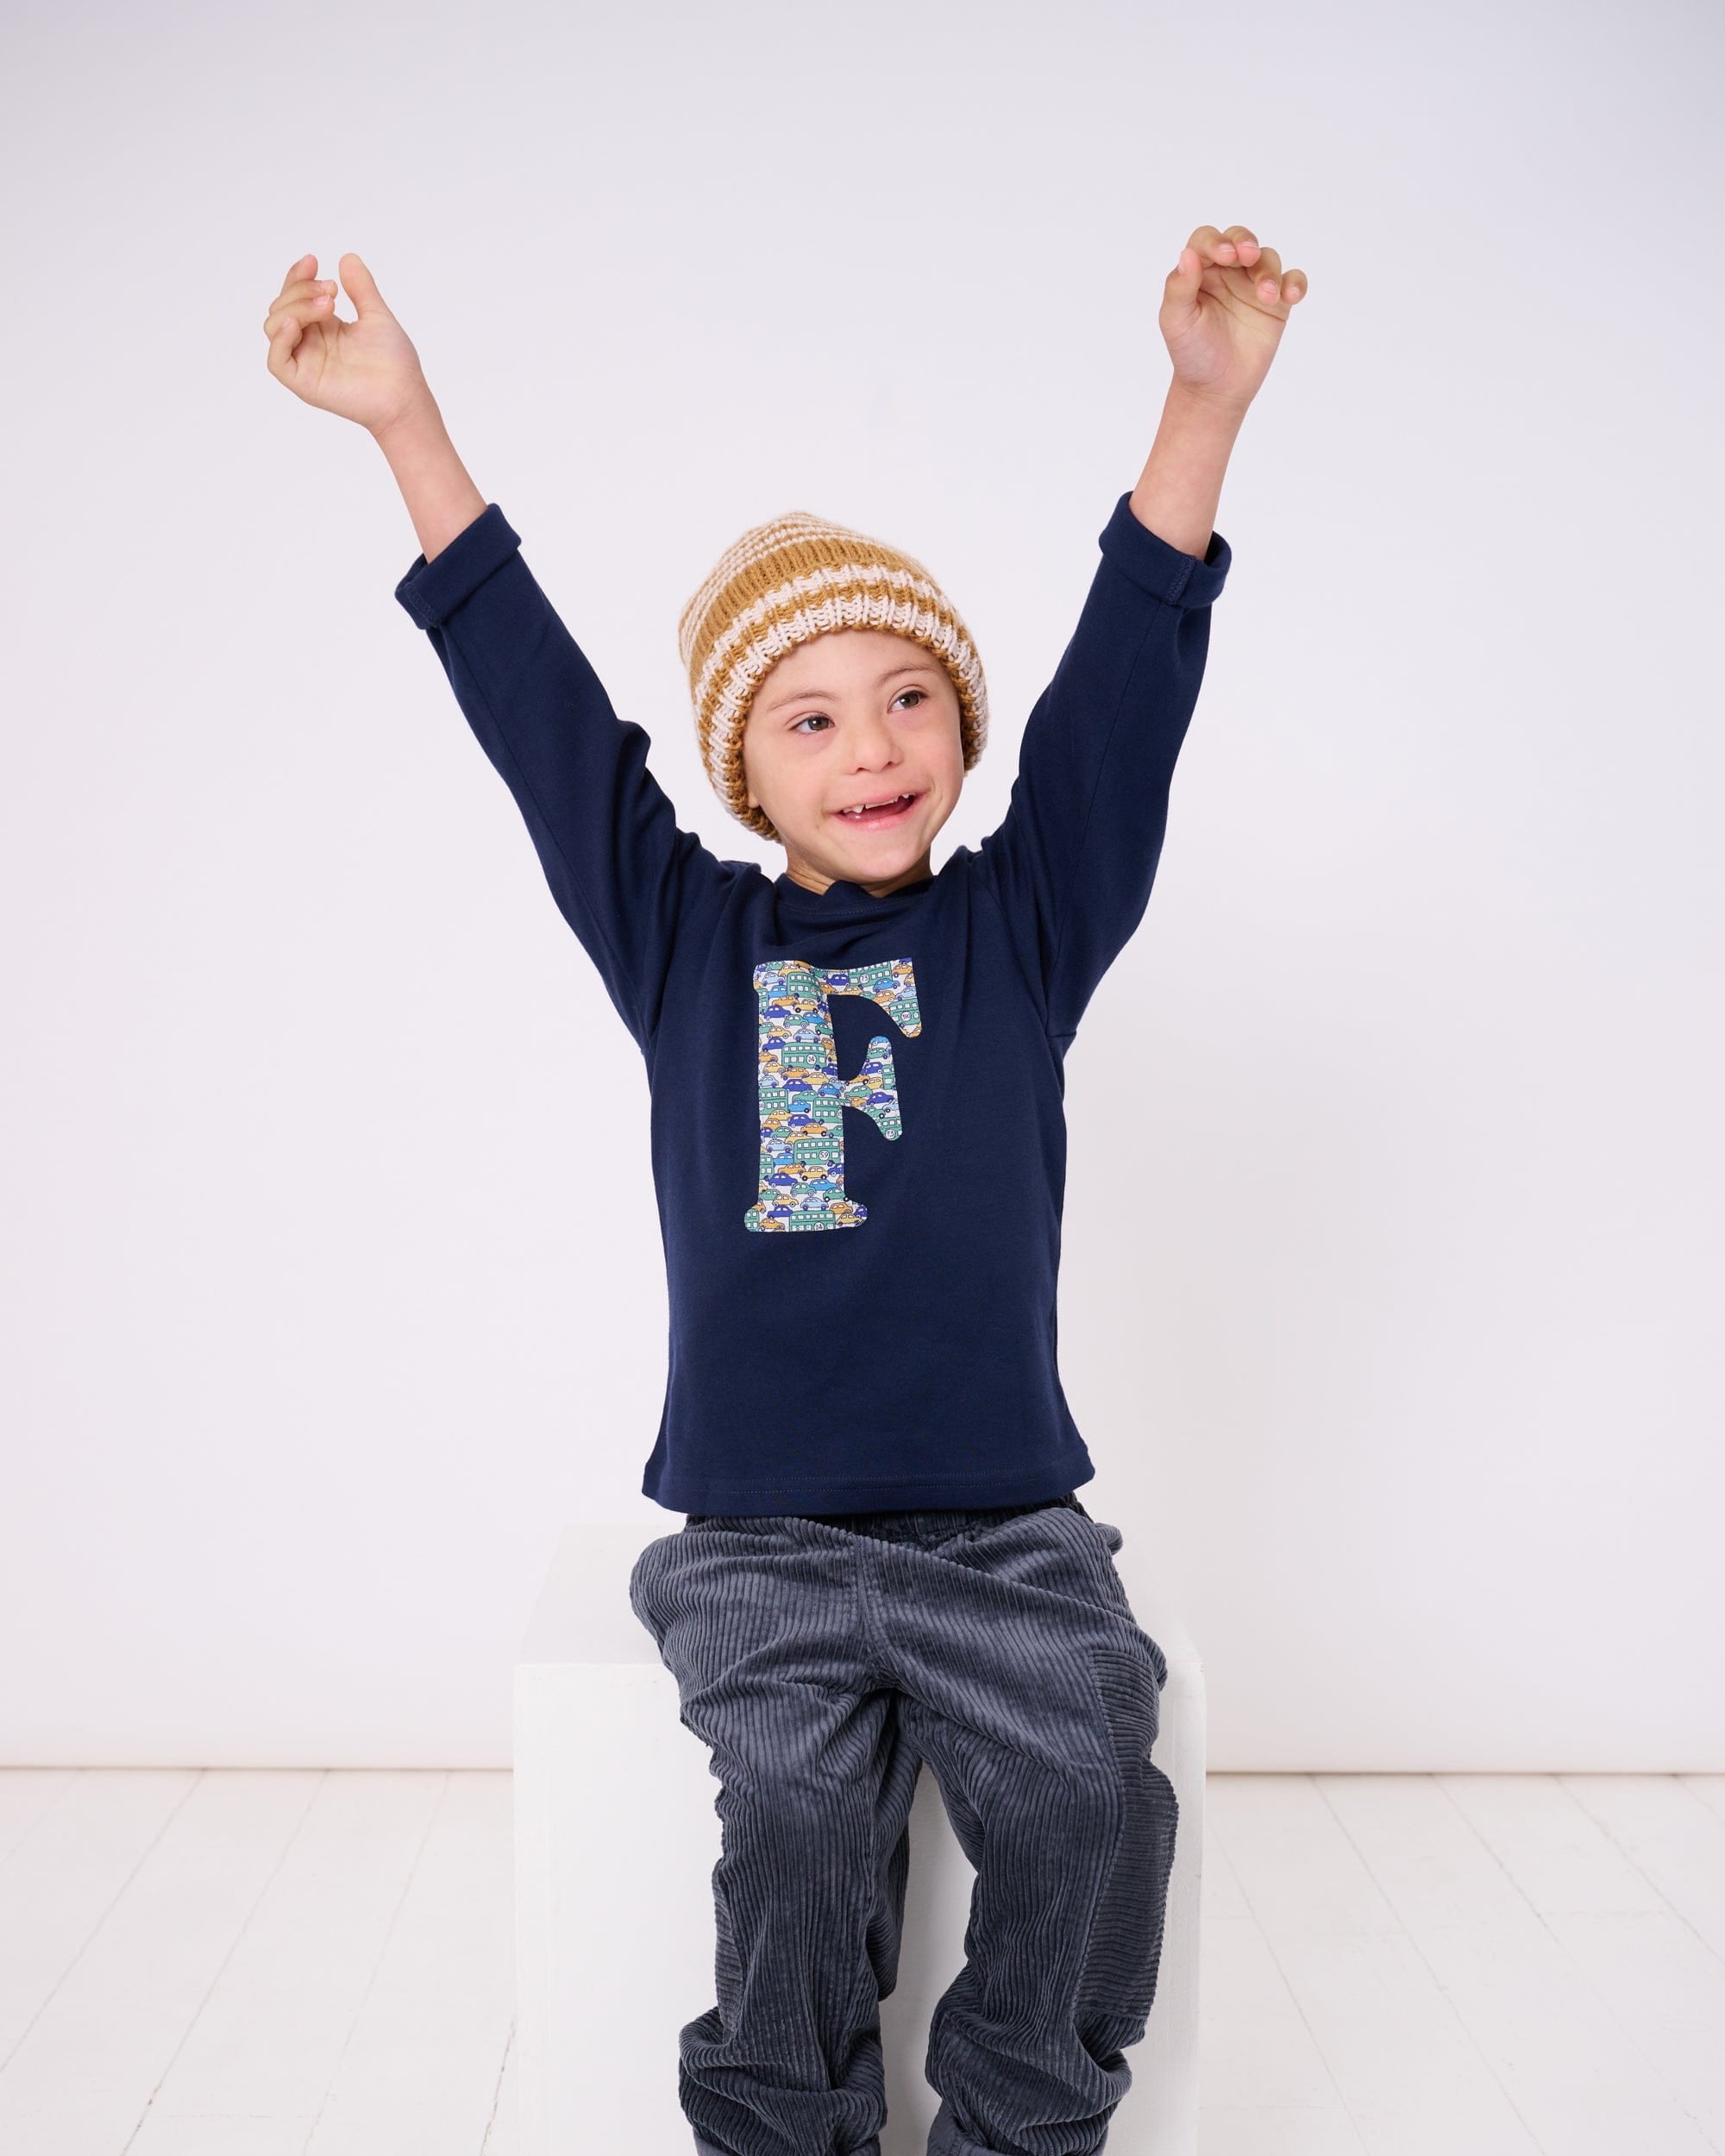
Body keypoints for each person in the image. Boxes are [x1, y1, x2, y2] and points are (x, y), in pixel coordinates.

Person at [262, 223, 1305, 2156]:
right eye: (809, 714)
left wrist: (1200, 402)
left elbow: (1124, 693)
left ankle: (1011, 2125)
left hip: (1008, 1532)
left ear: (960, 728)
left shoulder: (1027, 916)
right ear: (745, 761)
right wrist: (405, 423)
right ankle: (780, 2127)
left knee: (1096, 1779)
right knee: (802, 1826)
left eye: (907, 697)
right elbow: (540, 716)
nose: (871, 745)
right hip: (760, 1541)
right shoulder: (682, 938)